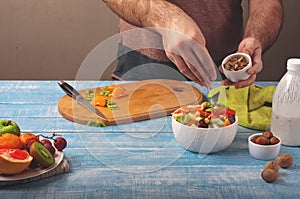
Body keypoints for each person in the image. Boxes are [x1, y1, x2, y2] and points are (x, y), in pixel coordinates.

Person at [103, 0, 283, 88]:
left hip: (225, 68)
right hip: (143, 61)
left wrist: (255, 37)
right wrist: (167, 19)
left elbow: (266, 2)